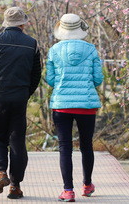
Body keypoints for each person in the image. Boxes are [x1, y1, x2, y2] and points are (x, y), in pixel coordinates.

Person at [0, 6, 42, 199]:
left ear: (6, 23)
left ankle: (0, 172)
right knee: (17, 141)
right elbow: (36, 74)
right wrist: (26, 93)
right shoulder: (32, 44)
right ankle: (15, 185)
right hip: (19, 97)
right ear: (22, 23)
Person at [45, 13, 104, 202]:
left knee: (65, 148)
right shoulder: (91, 49)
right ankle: (87, 185)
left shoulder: (54, 50)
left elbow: (50, 79)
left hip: (62, 105)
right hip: (86, 105)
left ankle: (68, 191)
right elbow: (98, 79)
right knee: (87, 146)